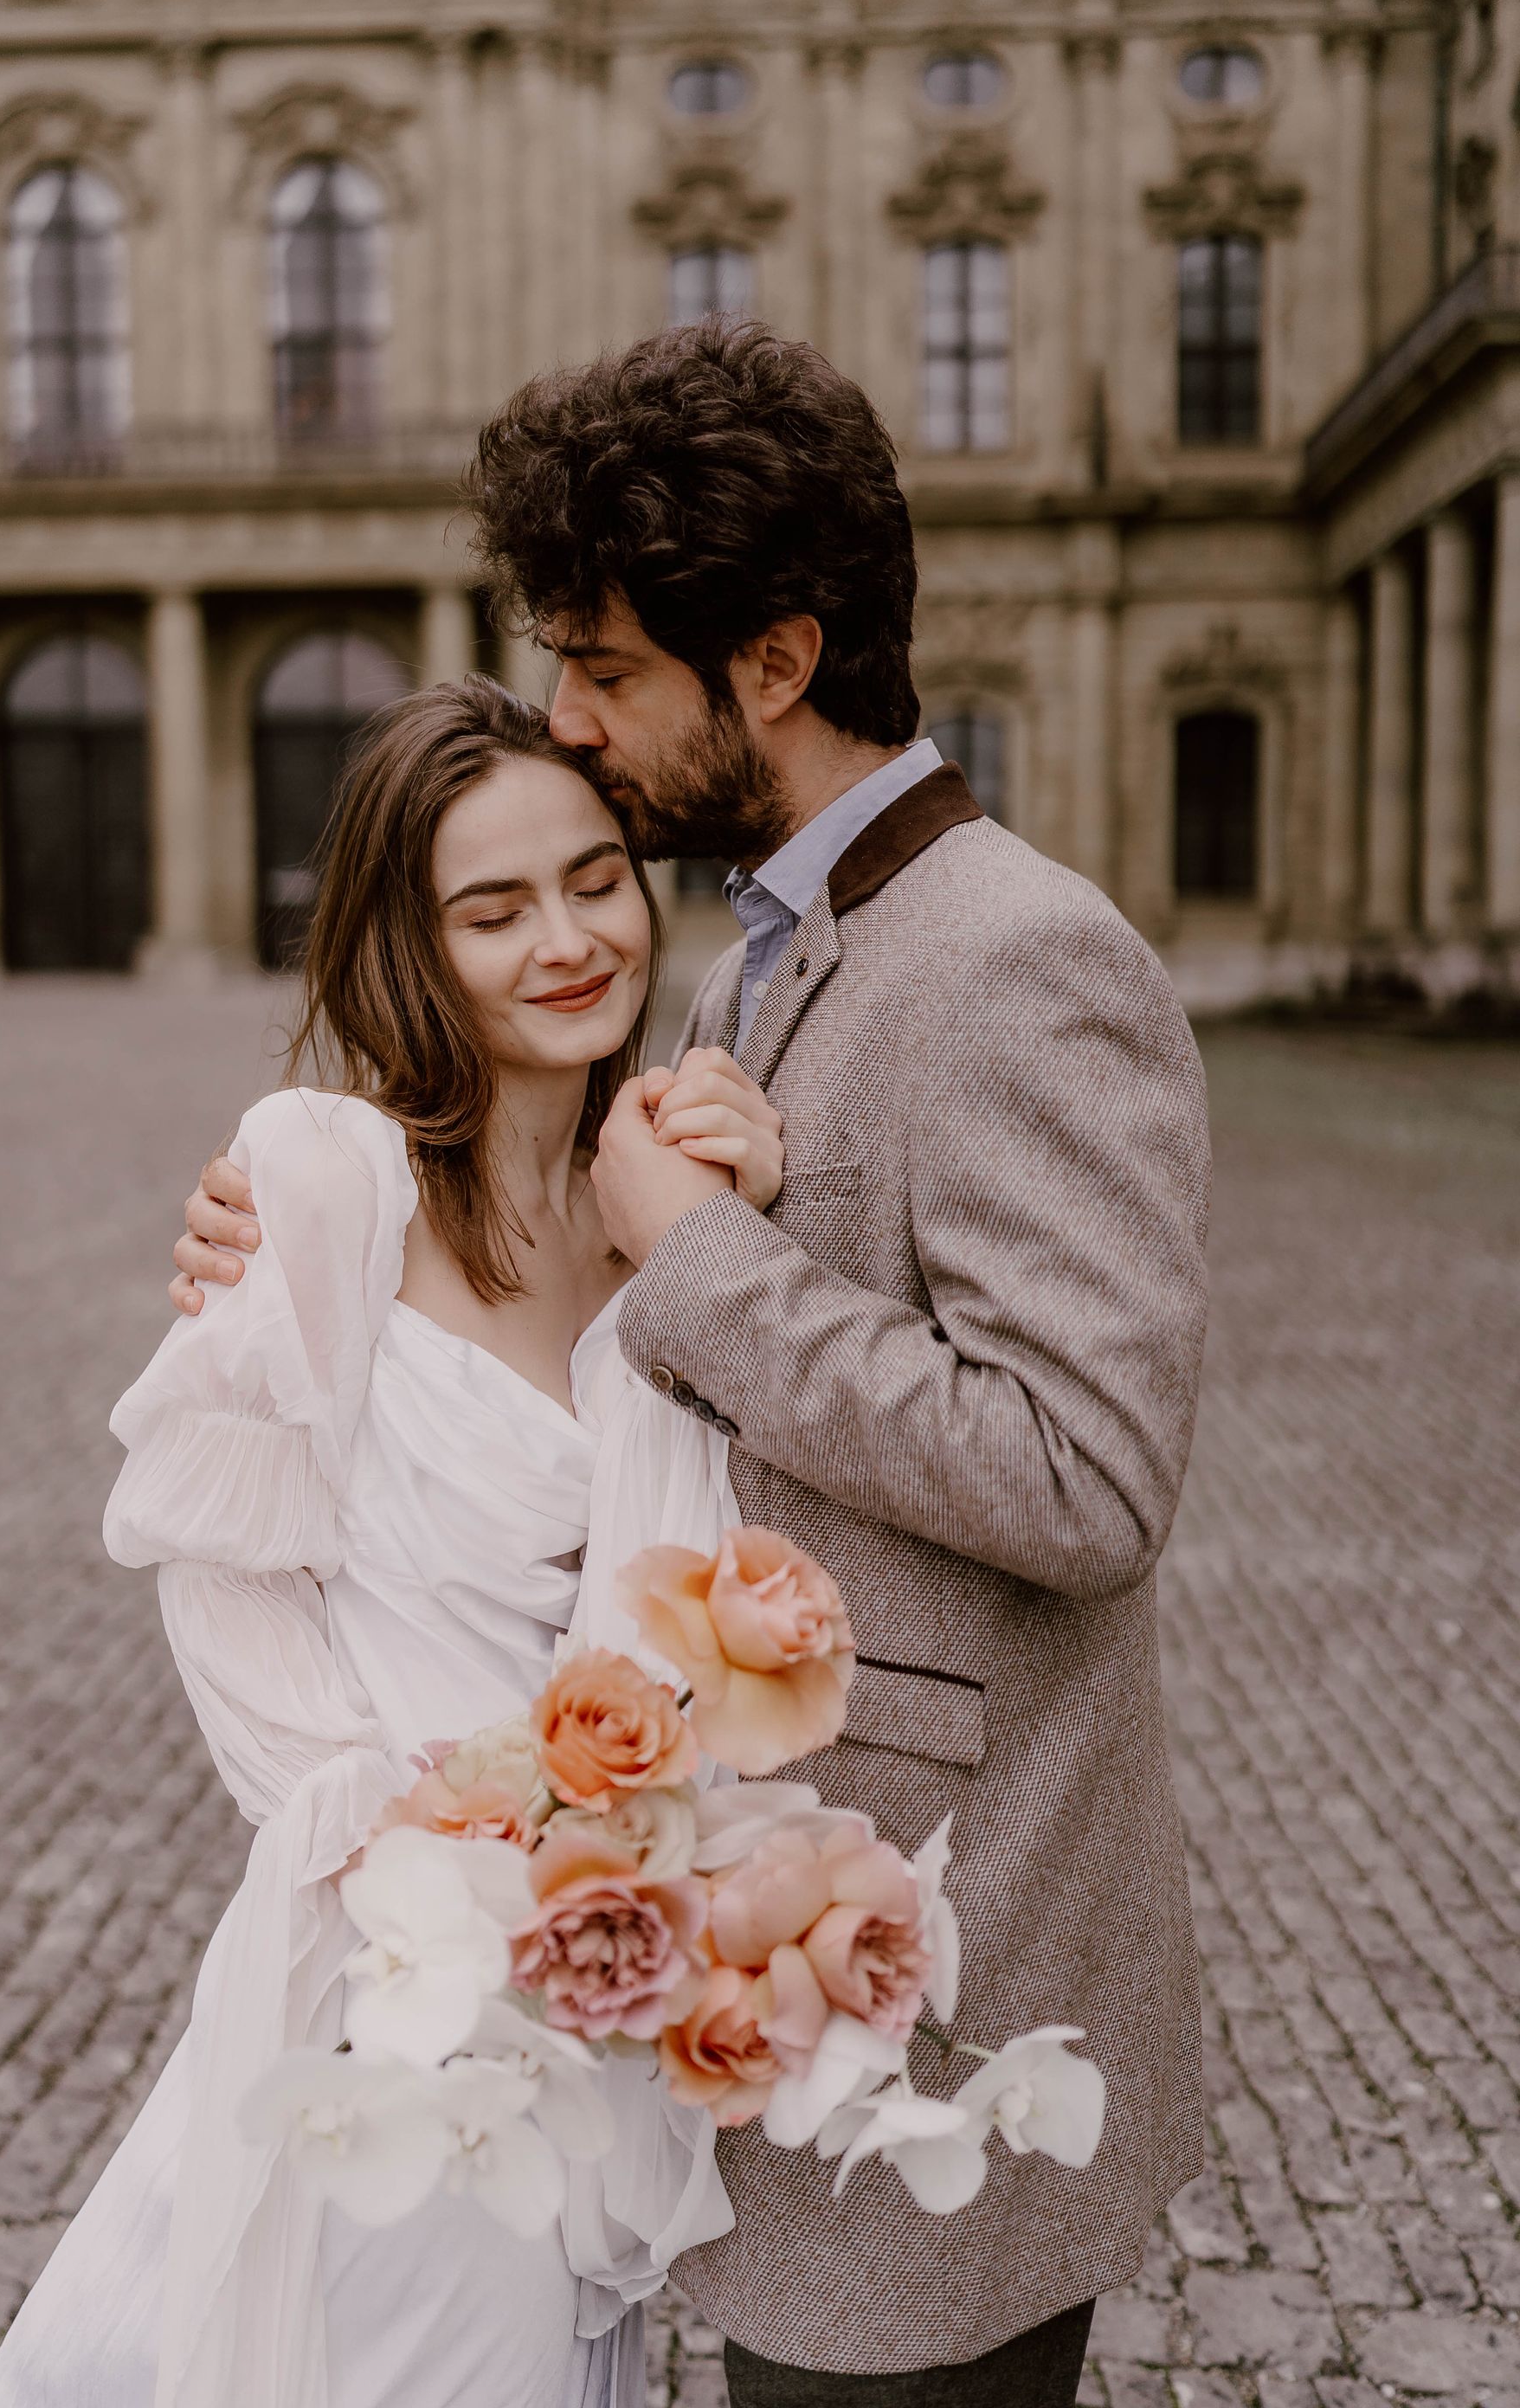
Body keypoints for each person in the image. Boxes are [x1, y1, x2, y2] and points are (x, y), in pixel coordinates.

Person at [171, 322, 1212, 2407]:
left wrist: (707, 1269)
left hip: (941, 1968)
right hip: (744, 1984)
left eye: (605, 669)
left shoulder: (1018, 956)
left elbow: (1091, 1482)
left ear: (775, 661)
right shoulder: (767, 940)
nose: (569, 717)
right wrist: (313, 1221)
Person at [0, 677, 793, 2408]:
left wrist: (738, 1233)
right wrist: (414, 1869)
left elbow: (726, 1591)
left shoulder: (673, 1195)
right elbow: (226, 1585)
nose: (569, 939)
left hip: (599, 1997)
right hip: (390, 1977)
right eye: (493, 910)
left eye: (596, 878)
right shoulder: (327, 1183)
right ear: (403, 946)